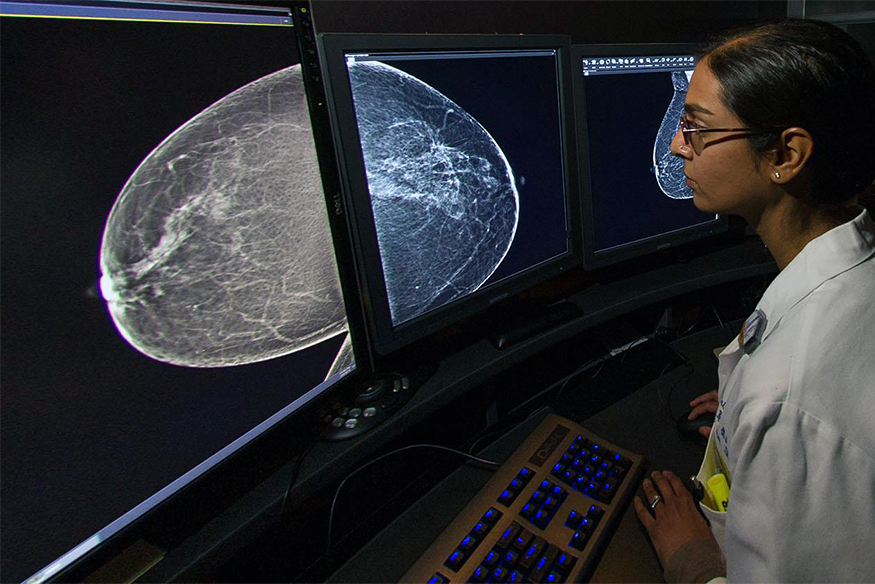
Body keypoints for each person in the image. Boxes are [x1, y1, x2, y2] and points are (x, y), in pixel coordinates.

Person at [632, 18, 875, 583]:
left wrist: (688, 558)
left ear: (785, 155)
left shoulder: (791, 403)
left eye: (695, 126)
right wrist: (742, 419)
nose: (676, 144)